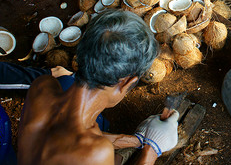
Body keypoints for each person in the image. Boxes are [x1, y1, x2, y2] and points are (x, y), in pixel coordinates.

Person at [17, 9, 178, 165]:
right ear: (126, 83)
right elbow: (85, 147)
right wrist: (151, 150)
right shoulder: (96, 154)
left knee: (65, 82)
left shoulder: (42, 87)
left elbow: (70, 135)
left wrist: (137, 140)